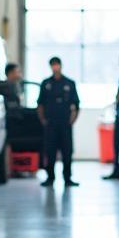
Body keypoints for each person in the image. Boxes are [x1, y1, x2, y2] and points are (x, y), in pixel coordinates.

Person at [38, 56, 80, 188]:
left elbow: (76, 105)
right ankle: (50, 177)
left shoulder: (69, 83)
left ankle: (67, 178)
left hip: (65, 124)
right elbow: (40, 104)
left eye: (57, 65)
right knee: (50, 151)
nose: (55, 67)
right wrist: (43, 120)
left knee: (67, 151)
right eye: (53, 65)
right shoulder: (46, 84)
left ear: (61, 66)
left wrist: (72, 121)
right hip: (51, 124)